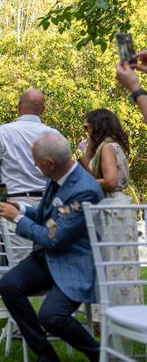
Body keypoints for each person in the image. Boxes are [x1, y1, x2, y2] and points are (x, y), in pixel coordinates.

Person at [0, 132, 103, 362]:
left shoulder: (85, 190)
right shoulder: (57, 178)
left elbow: (53, 236)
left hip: (74, 263)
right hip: (47, 258)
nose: (34, 164)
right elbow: (49, 217)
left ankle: (100, 354)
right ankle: (46, 355)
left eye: (36, 161)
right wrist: (21, 209)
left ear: (50, 164)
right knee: (9, 285)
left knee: (51, 316)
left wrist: (17, 220)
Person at [79, 109, 143, 317]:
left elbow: (111, 181)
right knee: (115, 263)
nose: (85, 131)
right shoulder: (109, 146)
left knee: (114, 263)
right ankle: (112, 315)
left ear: (97, 126)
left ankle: (116, 315)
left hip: (113, 209)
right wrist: (87, 155)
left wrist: (82, 185)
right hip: (115, 207)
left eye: (87, 126)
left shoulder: (107, 147)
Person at [0, 89, 58, 264]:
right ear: (43, 109)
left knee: (20, 264)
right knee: (50, 264)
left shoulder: (3, 132)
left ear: (19, 106)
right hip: (48, 205)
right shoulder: (53, 134)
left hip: (15, 204)